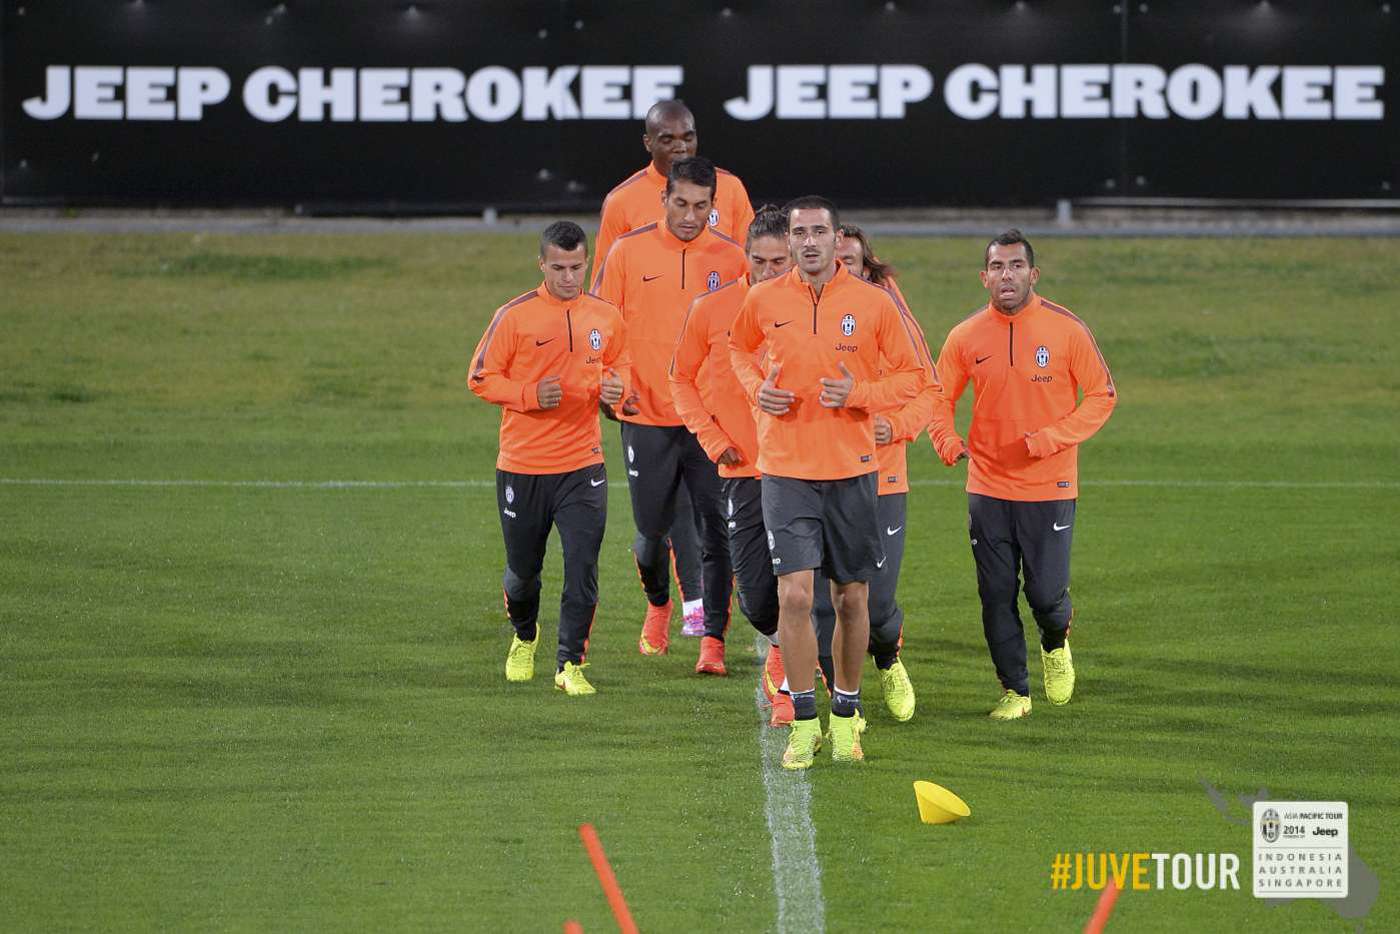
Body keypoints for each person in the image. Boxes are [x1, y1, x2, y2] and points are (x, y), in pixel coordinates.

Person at [728, 196, 928, 769]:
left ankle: (845, 715)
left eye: (819, 231)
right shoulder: (763, 299)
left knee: (850, 598)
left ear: (836, 239)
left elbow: (913, 376)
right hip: (786, 469)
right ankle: (803, 722)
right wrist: (756, 390)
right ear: (789, 241)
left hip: (853, 470)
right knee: (793, 595)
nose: (809, 242)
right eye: (800, 233)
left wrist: (859, 394)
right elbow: (738, 349)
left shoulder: (873, 304)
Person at [928, 229, 1117, 720]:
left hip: (1050, 485)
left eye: (1015, 266)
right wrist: (946, 440)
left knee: (1046, 596)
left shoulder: (1066, 330)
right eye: (997, 267)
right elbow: (937, 397)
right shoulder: (965, 336)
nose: (1006, 275)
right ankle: (1015, 690)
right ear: (984, 277)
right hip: (987, 486)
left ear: (1033, 274)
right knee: (995, 594)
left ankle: (1055, 643)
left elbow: (1101, 395)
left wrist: (1052, 439)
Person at [594, 99, 756, 637]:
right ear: (663, 199)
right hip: (645, 407)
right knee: (650, 530)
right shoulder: (625, 242)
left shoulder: (732, 253)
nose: (691, 215)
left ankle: (710, 636)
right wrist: (610, 383)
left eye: (700, 206)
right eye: (681, 204)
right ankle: (658, 601)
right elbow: (602, 317)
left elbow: (756, 303)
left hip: (710, 413)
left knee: (716, 526)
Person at [468, 221, 630, 696]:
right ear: (541, 264)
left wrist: (618, 393)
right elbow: (480, 377)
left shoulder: (606, 316)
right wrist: (529, 394)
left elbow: (620, 368)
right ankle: (524, 634)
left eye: (576, 267)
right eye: (558, 268)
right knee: (523, 574)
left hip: (583, 464)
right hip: (523, 466)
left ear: (587, 263)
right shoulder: (514, 316)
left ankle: (569, 664)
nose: (568, 277)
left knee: (582, 566)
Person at [805, 224, 941, 724]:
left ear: (868, 270)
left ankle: (887, 657)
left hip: (882, 480)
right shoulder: (802, 317)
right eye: (836, 259)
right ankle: (847, 703)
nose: (843, 268)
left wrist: (896, 427)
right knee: (824, 605)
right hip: (817, 477)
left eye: (853, 261)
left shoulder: (888, 318)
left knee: (876, 604)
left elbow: (929, 389)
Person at [669, 205, 791, 703]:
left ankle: (800, 682)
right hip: (743, 470)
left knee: (808, 583)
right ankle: (781, 642)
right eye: (759, 261)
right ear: (745, 255)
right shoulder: (712, 309)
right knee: (757, 598)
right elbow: (679, 378)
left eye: (778, 262)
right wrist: (712, 439)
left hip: (805, 470)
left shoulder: (815, 310)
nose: (768, 271)